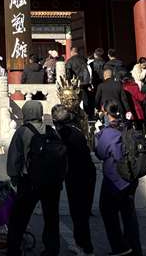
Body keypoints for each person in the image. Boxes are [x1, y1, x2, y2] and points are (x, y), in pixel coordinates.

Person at [6, 101, 64, 256]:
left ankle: (14, 249)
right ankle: (52, 249)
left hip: (29, 181)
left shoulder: (22, 132)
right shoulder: (51, 131)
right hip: (52, 183)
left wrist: (13, 176)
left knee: (19, 217)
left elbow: (14, 158)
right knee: (51, 217)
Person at [95, 100, 142, 256]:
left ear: (106, 113)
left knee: (108, 212)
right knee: (129, 214)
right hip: (131, 176)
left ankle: (120, 247)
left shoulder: (108, 132)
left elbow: (100, 153)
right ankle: (135, 248)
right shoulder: (127, 126)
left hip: (115, 178)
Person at [52, 104, 95, 255]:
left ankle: (85, 246)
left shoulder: (61, 135)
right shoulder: (77, 131)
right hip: (88, 173)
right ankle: (82, 243)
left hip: (76, 176)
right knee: (82, 213)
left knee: (78, 213)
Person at [65, 47, 94, 118]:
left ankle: (76, 114)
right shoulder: (84, 59)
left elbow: (68, 75)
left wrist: (68, 83)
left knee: (75, 100)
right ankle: (88, 115)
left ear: (72, 51)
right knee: (86, 99)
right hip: (86, 82)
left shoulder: (70, 61)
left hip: (76, 83)